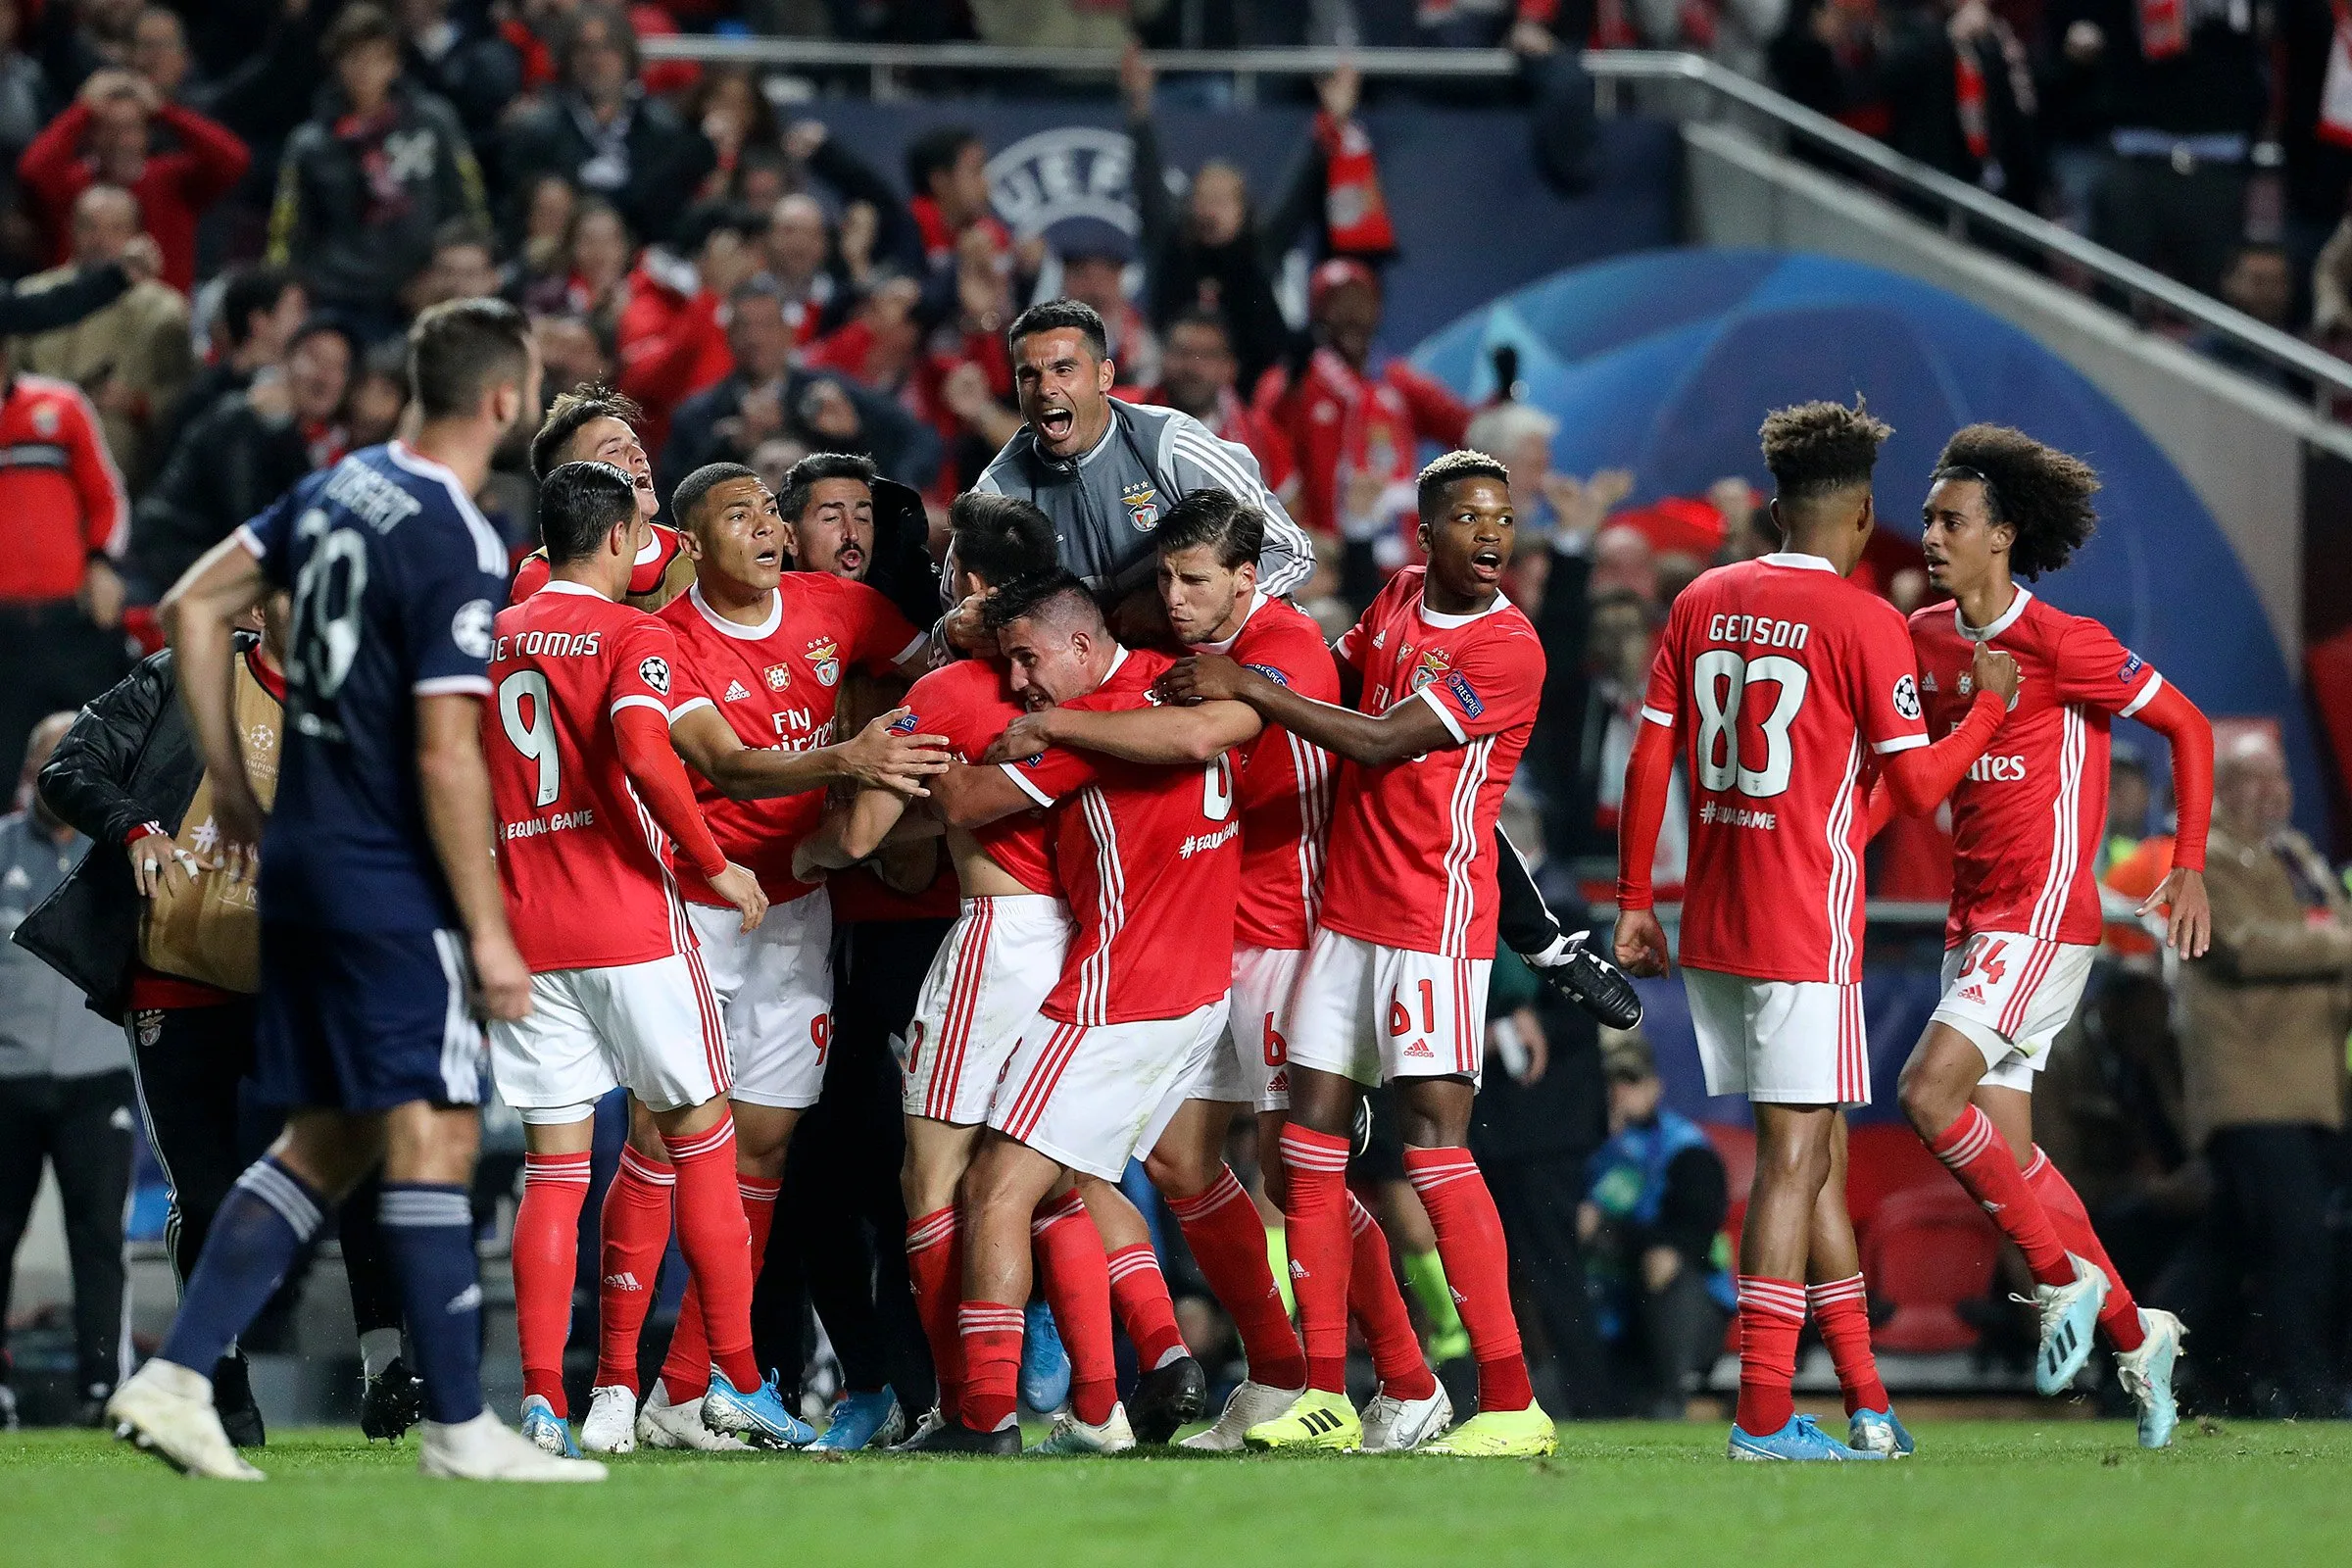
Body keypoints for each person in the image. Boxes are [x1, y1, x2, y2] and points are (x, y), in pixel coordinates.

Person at [102, 297, 605, 1483]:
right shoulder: (453, 533)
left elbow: (191, 605)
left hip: (307, 866)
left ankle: (177, 1378)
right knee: (426, 1129)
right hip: (387, 872)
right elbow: (443, 751)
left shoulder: (337, 487)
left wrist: (228, 782)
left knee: (331, 1139)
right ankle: (461, 1429)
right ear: (500, 397)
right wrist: (486, 931)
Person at [978, 490, 1454, 1451]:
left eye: (1195, 580)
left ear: (1245, 578)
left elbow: (1202, 736)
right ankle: (1277, 1372)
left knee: (1296, 1168)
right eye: (1166, 578)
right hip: (1210, 943)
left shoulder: (1284, 647)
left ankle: (1404, 1380)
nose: (1175, 597)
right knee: (1182, 1159)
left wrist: (1057, 728)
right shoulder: (1191, 634)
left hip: (1292, 937)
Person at [1613, 400, 2017, 1462]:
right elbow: (1920, 786)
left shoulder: (1703, 596)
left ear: (1778, 507)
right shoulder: (1862, 619)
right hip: (1803, 924)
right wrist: (1982, 710)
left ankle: (1870, 1402)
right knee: (1795, 1162)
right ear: (1861, 514)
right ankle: (1757, 1415)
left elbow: (1649, 757)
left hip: (1713, 919)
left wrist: (1632, 901)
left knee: (1819, 1154)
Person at [1155, 451, 1552, 1457]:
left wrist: (1250, 682)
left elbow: (1377, 739)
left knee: (1432, 1149)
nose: (1492, 534)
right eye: (1468, 517)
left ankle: (1509, 1399)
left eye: (1503, 517)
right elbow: (1343, 671)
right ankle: (1327, 1393)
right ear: (1425, 536)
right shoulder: (1403, 595)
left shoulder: (1511, 649)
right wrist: (1272, 669)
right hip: (1343, 917)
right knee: (1307, 1150)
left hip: (1432, 923)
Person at [1878, 422, 2212, 1448]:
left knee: (1927, 1093)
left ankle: (2062, 1288)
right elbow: (1913, 776)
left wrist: (2187, 860)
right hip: (1974, 921)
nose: (1930, 534)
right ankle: (2132, 1328)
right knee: (2014, 1168)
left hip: (2045, 917)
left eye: (1950, 520)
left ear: (2003, 535)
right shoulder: (1929, 636)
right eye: (1929, 517)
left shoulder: (2067, 643)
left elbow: (2190, 727)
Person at [600, 462, 938, 1450]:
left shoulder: (846, 609)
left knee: (765, 1148)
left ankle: (686, 1387)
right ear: (695, 543)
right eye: (733, 515)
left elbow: (937, 667)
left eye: (763, 513)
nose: (758, 529)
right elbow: (726, 765)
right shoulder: (669, 642)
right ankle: (615, 1383)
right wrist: (847, 760)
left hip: (798, 916)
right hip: (698, 909)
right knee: (664, 1142)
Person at [480, 460, 810, 1457]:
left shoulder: (491, 638)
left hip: (528, 932)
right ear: (621, 540)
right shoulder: (636, 633)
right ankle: (739, 1384)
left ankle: (542, 1400)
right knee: (701, 1135)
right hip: (629, 921)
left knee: (554, 1170)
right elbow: (645, 751)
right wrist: (716, 866)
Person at [920, 571, 1243, 1456]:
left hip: (1119, 994)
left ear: (1078, 643)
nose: (1018, 682)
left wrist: (955, 742)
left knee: (994, 1186)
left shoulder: (1087, 728)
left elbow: (962, 804)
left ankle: (983, 1418)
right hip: (1198, 990)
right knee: (1086, 1178)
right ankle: (1166, 1359)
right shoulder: (1178, 682)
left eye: (1028, 659)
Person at [793, 491, 1070, 1451]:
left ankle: (969, 1405)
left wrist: (808, 853)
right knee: (1067, 1179)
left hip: (988, 934)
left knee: (932, 1178)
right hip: (1086, 941)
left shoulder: (945, 693)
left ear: (977, 586)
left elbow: (866, 834)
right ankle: (1110, 1391)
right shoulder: (1099, 677)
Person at [2178, 730, 2352, 1419]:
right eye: (2251, 778)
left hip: (2313, 1087)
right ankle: (2304, 1388)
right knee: (2295, 1246)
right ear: (2218, 788)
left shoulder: (2297, 855)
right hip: (2250, 1086)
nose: (2271, 790)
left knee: (2230, 1245)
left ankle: (2144, 1363)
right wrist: (2337, 944)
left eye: (2277, 777)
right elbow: (2242, 947)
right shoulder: (2204, 860)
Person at [964, 300, 1311, 644]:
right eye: (1029, 375)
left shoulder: (1171, 446)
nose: (1045, 389)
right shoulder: (997, 494)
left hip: (1211, 656)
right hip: (1093, 678)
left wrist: (1171, 610)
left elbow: (1290, 551)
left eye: (1064, 369)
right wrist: (955, 632)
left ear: (1105, 375)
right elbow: (955, 617)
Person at [0, 713, 134, 1430]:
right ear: (31, 767)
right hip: (8, 1079)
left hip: (97, 1074)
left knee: (98, 1237)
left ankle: (103, 1386)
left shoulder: (112, 853)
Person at [265, 5, 489, 332]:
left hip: (425, 287)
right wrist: (287, 289)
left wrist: (443, 272)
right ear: (336, 66)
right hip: (341, 295)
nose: (364, 70)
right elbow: (288, 232)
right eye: (353, 59)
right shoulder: (310, 144)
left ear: (394, 65)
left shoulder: (433, 121)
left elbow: (467, 203)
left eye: (375, 58)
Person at [1257, 260, 1470, 602]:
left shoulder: (1397, 380)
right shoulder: (1294, 382)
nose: (1352, 316)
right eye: (1338, 305)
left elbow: (1464, 425)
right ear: (1318, 314)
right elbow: (1260, 447)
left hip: (1401, 559)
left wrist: (1501, 398)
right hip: (1324, 562)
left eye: (1362, 303)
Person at [132, 317, 356, 599]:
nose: (325, 376)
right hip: (163, 573)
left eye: (340, 367)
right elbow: (248, 521)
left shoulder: (323, 442)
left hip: (204, 574)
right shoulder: (243, 416)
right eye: (315, 359)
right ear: (285, 362)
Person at [0, 335, 131, 790]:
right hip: (3, 637)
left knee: (96, 764)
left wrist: (100, 560)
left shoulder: (61, 405)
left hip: (71, 626)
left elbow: (106, 496)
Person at [1579, 1029, 1733, 1420]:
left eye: (1630, 1081)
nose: (1619, 1091)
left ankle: (1669, 1395)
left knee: (1664, 1263)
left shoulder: (1686, 1150)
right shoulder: (1582, 1148)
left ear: (1654, 1087)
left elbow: (1689, 1236)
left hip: (1687, 1305)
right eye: (1611, 1081)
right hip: (1602, 1301)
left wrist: (1606, 1231)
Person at [499, 3, 714, 257]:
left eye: (608, 48)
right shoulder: (535, 134)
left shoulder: (664, 132)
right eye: (584, 48)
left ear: (627, 56)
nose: (596, 59)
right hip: (559, 264)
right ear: (566, 57)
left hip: (648, 258)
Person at [11, 183, 190, 488]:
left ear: (137, 236)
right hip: (34, 453)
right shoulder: (32, 297)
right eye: (88, 227)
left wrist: (139, 404)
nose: (100, 240)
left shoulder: (164, 310)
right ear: (71, 230)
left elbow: (184, 397)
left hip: (121, 463)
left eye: (115, 229)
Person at [17, 65, 248, 296]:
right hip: (80, 322)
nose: (121, 141)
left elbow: (233, 159)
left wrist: (164, 110)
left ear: (147, 133)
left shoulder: (173, 181)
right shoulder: (72, 185)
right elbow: (33, 171)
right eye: (109, 129)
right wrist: (83, 109)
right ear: (91, 134)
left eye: (131, 128)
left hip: (160, 324)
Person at [510, 385, 690, 611]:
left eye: (636, 444)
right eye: (613, 450)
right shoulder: (542, 576)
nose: (640, 456)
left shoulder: (695, 555)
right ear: (574, 481)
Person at [151, 264, 307, 481]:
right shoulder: (204, 398)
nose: (305, 322)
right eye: (295, 310)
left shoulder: (299, 397)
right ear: (260, 322)